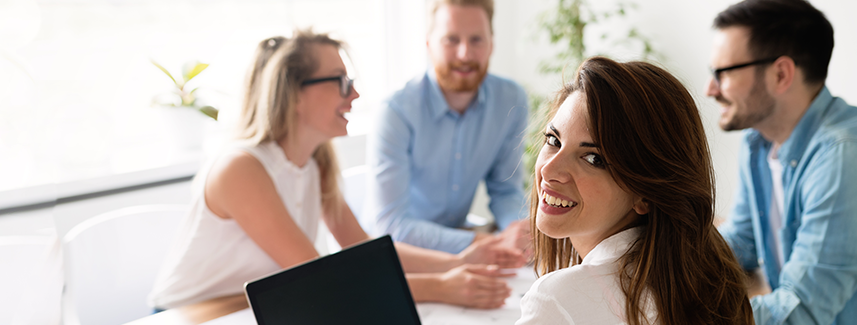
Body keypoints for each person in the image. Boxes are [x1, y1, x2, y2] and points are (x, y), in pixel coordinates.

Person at [148, 30, 519, 312]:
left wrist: (457, 263)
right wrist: (443, 284)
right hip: (191, 315)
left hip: (255, 309)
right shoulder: (240, 168)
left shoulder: (317, 163)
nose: (354, 95)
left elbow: (365, 252)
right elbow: (322, 279)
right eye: (341, 81)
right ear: (294, 93)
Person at [516, 57, 754, 325]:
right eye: (553, 140)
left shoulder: (558, 299)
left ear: (645, 194)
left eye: (593, 158)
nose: (549, 170)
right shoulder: (709, 278)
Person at [707, 0, 857, 323]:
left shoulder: (843, 155)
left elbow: (803, 309)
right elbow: (742, 241)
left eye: (723, 73)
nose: (710, 89)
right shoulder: (757, 143)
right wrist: (658, 258)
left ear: (781, 74)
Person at [364, 0, 531, 257]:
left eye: (476, 40)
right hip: (398, 256)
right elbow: (391, 225)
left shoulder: (511, 100)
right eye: (451, 40)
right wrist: (482, 242)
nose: (465, 54)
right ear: (429, 44)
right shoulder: (395, 111)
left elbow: (506, 189)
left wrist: (516, 232)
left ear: (491, 44)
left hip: (461, 242)